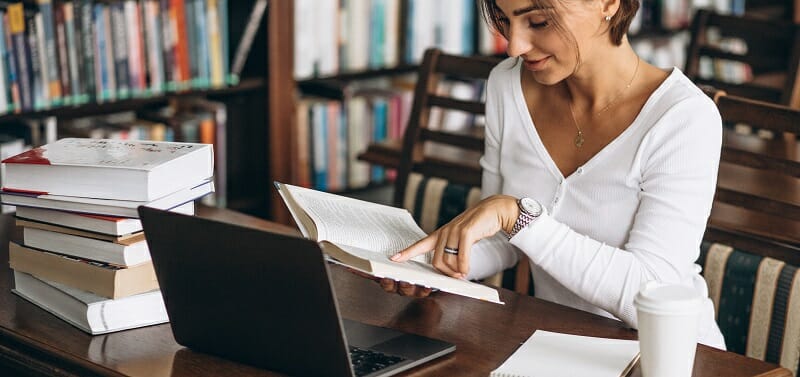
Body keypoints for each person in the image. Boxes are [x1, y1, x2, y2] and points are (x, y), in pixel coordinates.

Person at [383, 0, 727, 349]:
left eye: (538, 22)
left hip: (671, 354)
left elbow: (651, 295)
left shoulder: (684, 119)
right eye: (504, 20)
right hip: (559, 344)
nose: (515, 46)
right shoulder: (507, 84)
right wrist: (432, 266)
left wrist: (521, 217)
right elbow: (504, 238)